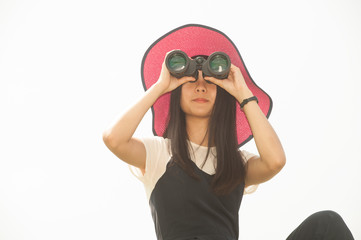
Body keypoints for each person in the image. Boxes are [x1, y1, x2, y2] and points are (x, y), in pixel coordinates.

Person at [102, 24, 354, 240]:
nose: (200, 86)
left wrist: (243, 92)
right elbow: (114, 138)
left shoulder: (236, 162)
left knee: (326, 225)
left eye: (209, 81)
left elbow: (275, 161)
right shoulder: (159, 152)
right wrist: (161, 86)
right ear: (176, 93)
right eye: (191, 80)